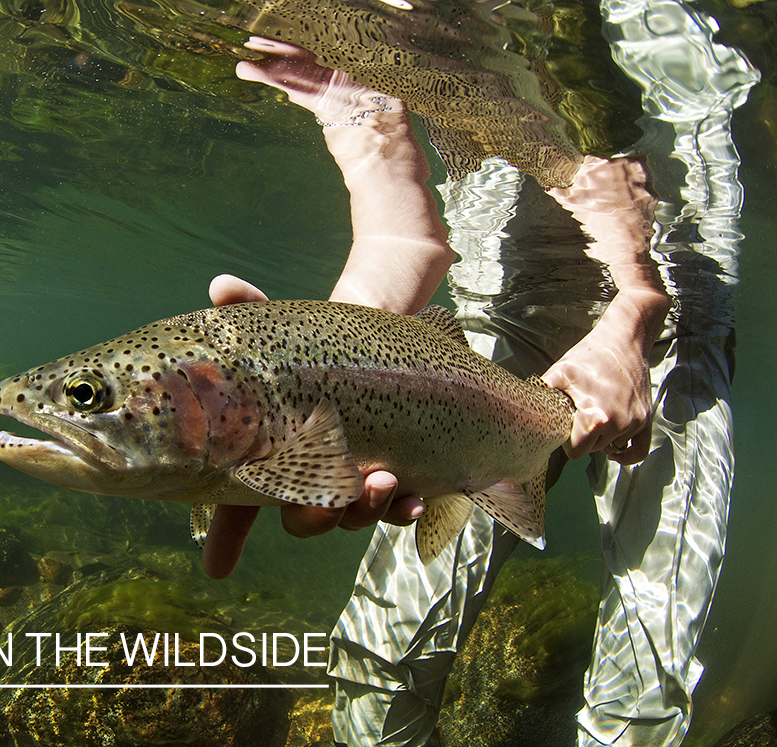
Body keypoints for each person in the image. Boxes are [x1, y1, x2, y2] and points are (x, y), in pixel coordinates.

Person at [204, 3, 756, 742]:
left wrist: (634, 309)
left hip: (671, 316)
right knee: (379, 653)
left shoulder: (632, 20)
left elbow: (613, 164)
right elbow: (404, 235)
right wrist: (328, 359)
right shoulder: (332, 19)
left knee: (647, 672)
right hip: (501, 309)